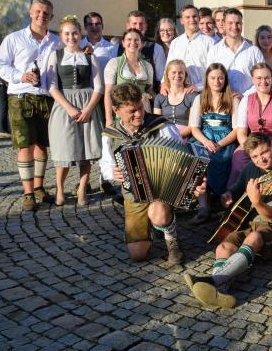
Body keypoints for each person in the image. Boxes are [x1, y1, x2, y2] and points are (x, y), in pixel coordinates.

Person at [186, 133, 272, 308]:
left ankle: (212, 280)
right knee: (223, 247)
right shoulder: (250, 170)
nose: (261, 159)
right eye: (255, 156)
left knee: (254, 237)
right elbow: (235, 189)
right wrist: (227, 196)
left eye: (264, 153)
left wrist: (257, 202)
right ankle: (220, 292)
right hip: (247, 225)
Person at [102, 83, 205, 264]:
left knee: (158, 213)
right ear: (116, 110)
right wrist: (112, 172)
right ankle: (155, 227)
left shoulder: (160, 126)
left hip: (161, 193)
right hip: (133, 196)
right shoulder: (111, 134)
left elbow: (185, 157)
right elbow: (104, 164)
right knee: (137, 254)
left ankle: (171, 240)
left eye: (141, 107)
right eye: (132, 111)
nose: (139, 114)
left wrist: (194, 182)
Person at [0, 0, 61, 211]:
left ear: (51, 17)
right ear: (30, 12)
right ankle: (28, 193)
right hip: (20, 97)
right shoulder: (14, 39)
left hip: (46, 97)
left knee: (42, 144)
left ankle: (40, 187)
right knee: (25, 145)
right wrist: (20, 76)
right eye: (38, 11)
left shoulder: (56, 41)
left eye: (46, 13)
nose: (42, 15)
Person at [46, 15, 104, 207]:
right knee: (64, 150)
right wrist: (69, 108)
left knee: (86, 150)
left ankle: (81, 190)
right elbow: (52, 87)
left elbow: (98, 87)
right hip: (64, 106)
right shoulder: (56, 55)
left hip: (87, 104)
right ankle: (60, 190)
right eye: (67, 33)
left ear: (81, 34)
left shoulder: (89, 56)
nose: (71, 37)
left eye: (75, 33)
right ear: (61, 35)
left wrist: (88, 109)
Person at [188, 63, 239, 223]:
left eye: (220, 78)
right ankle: (203, 206)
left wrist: (220, 144)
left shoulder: (232, 99)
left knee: (226, 159)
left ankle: (223, 202)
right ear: (207, 79)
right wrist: (206, 141)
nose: (217, 81)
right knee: (198, 159)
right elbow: (194, 127)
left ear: (225, 79)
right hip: (204, 138)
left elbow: (237, 129)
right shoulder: (200, 98)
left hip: (225, 140)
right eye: (213, 78)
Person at [228, 63, 272, 187]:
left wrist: (267, 148)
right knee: (238, 159)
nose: (263, 81)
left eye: (267, 77)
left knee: (270, 163)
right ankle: (235, 196)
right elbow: (241, 132)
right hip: (251, 145)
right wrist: (250, 149)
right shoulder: (246, 100)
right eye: (259, 78)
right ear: (252, 79)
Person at [103, 29, 155, 128]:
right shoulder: (114, 63)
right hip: (123, 111)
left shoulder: (147, 66)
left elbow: (150, 91)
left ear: (141, 43)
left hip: (143, 110)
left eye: (136, 40)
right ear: (123, 43)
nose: (133, 43)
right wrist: (109, 118)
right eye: (129, 39)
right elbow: (108, 92)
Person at [207, 8, 265, 95]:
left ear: (242, 24)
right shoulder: (214, 51)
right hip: (222, 102)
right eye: (230, 23)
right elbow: (209, 78)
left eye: (238, 23)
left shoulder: (254, 51)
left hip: (249, 102)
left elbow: (262, 78)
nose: (234, 27)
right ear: (224, 25)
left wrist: (244, 96)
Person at [116, 10, 166, 92]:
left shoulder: (156, 48)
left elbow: (161, 79)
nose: (138, 27)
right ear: (128, 25)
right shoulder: (116, 49)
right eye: (134, 23)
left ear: (146, 26)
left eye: (141, 24)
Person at [166, 5, 212, 92]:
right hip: (179, 92)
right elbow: (168, 67)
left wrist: (198, 86)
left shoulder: (209, 42)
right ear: (182, 20)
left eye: (194, 16)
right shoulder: (175, 43)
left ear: (198, 18)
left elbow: (213, 70)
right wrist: (164, 83)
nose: (192, 20)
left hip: (202, 92)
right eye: (187, 17)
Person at [153, 60, 197, 138]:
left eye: (181, 72)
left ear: (185, 75)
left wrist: (176, 137)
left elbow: (191, 127)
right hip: (164, 137)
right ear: (168, 75)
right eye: (173, 72)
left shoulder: (192, 96)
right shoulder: (160, 97)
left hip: (184, 137)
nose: (177, 75)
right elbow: (156, 124)